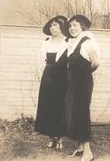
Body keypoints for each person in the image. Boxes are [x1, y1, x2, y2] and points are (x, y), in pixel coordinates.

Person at [65, 15, 100, 161]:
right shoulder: (73, 42)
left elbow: (95, 62)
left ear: (83, 27)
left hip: (83, 84)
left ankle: (88, 152)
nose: (72, 28)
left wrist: (84, 74)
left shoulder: (88, 42)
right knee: (74, 113)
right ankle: (80, 148)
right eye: (70, 26)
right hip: (73, 84)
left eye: (75, 25)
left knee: (82, 114)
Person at [34, 15, 68, 149]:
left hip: (62, 78)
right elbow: (41, 60)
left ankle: (60, 138)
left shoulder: (68, 41)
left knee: (59, 106)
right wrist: (44, 74)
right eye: (51, 26)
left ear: (61, 27)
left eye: (55, 25)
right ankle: (51, 137)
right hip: (48, 77)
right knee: (47, 106)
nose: (53, 28)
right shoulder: (46, 42)